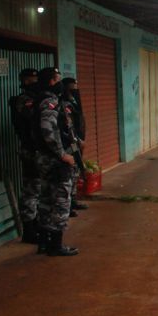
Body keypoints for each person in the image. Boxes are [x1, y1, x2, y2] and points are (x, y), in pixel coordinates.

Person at [34, 67, 79, 257]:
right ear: (52, 81)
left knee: (45, 200)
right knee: (60, 201)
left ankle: (44, 242)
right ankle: (56, 245)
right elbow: (48, 130)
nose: (60, 82)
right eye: (58, 79)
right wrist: (62, 154)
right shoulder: (49, 102)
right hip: (54, 160)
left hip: (44, 159)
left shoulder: (41, 99)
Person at [9, 68, 41, 244]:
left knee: (38, 189)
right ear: (24, 81)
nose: (34, 82)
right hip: (30, 150)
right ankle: (29, 229)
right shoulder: (24, 100)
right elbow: (33, 119)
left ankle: (35, 224)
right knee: (31, 189)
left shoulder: (35, 98)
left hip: (38, 150)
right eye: (31, 80)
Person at [61, 78, 88, 216]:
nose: (75, 90)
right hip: (70, 143)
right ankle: (68, 205)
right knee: (70, 173)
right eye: (72, 88)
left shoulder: (74, 102)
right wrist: (78, 140)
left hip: (77, 142)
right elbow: (69, 127)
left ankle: (73, 200)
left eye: (76, 87)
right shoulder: (64, 104)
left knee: (76, 171)